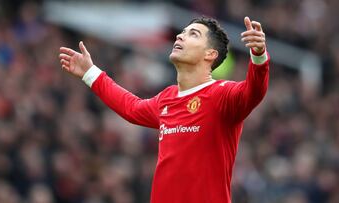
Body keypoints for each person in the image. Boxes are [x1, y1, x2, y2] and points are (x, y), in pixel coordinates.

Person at [59, 16, 269, 203]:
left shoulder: (222, 95)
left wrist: (258, 56)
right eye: (182, 32)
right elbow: (131, 108)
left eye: (193, 34)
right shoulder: (167, 98)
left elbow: (254, 91)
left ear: (210, 54)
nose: (180, 36)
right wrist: (90, 73)